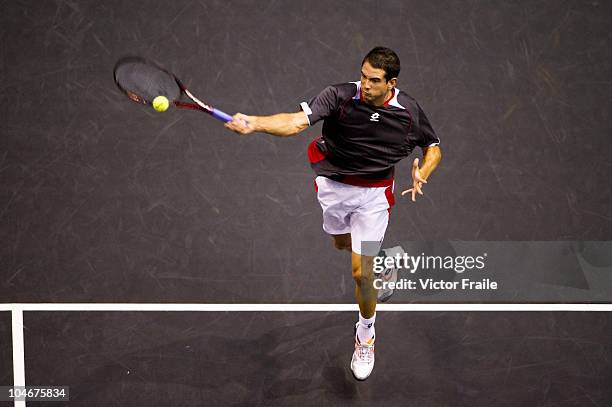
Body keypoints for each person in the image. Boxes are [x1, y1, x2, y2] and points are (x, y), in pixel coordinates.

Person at [225, 46, 442, 380]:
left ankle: (365, 334)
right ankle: (387, 260)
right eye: (363, 76)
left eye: (374, 80)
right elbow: (296, 122)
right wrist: (255, 123)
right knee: (341, 244)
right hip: (333, 187)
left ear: (391, 83)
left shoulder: (408, 111)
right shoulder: (339, 96)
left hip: (374, 196)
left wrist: (423, 172)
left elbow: (433, 147)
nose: (365, 85)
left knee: (360, 273)